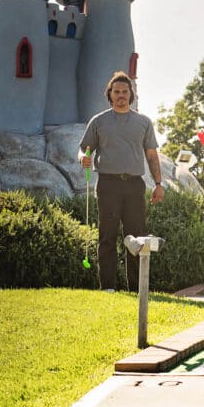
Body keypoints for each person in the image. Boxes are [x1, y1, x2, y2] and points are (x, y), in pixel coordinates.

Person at [79, 71, 164, 293]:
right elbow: (84, 149)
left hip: (135, 185)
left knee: (137, 237)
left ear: (131, 94)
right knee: (107, 236)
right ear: (110, 94)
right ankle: (108, 287)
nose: (121, 95)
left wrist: (158, 183)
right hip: (108, 185)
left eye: (125, 91)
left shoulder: (144, 122)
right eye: (116, 92)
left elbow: (152, 156)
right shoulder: (98, 122)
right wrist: (83, 158)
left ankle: (136, 289)